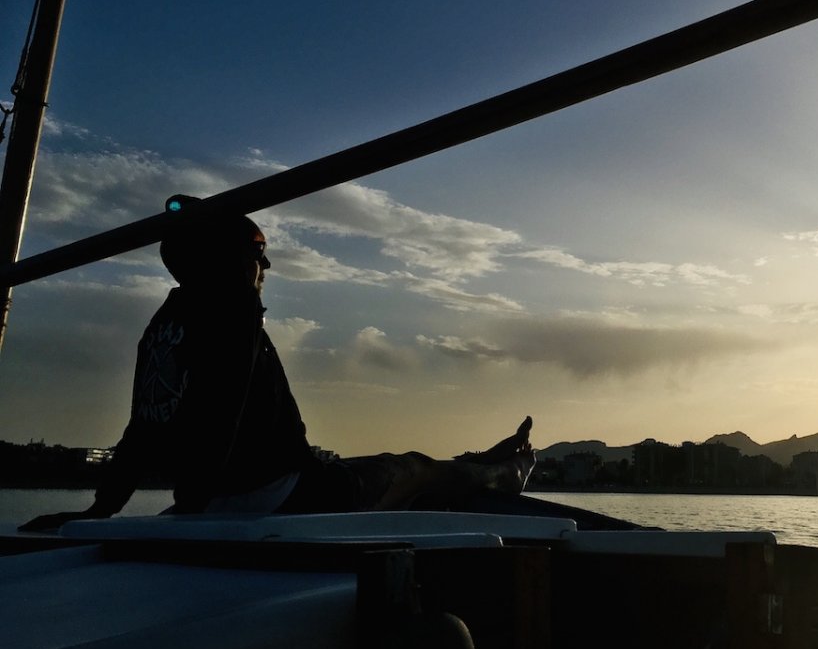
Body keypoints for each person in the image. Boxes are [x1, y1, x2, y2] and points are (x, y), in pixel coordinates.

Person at [20, 196, 535, 532]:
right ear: (227, 260)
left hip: (225, 498)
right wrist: (198, 516)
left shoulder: (161, 327)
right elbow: (226, 405)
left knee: (384, 465)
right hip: (287, 497)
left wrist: (102, 510)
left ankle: (483, 461)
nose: (265, 266)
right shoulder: (234, 306)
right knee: (415, 467)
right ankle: (506, 473)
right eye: (257, 252)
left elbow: (142, 428)